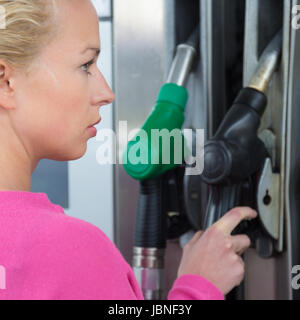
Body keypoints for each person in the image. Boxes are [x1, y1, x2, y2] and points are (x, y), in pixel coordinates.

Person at [0, 0, 256, 300]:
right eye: (86, 65)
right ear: (6, 82)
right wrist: (198, 286)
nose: (106, 94)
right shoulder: (66, 249)